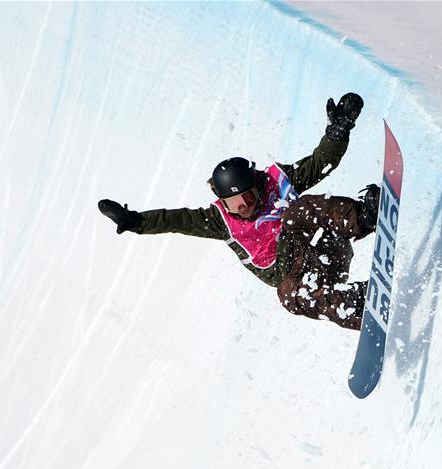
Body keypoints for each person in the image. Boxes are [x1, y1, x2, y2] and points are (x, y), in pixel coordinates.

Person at [97, 92, 378, 331]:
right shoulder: (218, 221)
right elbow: (176, 220)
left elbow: (320, 163)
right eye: (235, 203)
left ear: (257, 185)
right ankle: (357, 303)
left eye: (249, 196)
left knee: (295, 213)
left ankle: (365, 217)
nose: (245, 206)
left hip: (328, 247)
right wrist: (136, 221)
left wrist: (338, 132)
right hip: (309, 278)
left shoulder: (278, 183)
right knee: (288, 295)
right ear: (223, 202)